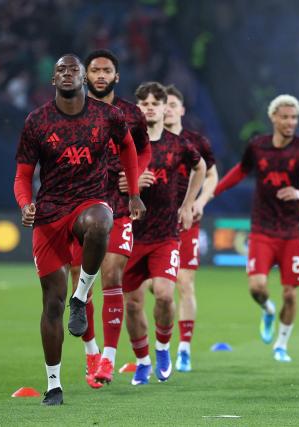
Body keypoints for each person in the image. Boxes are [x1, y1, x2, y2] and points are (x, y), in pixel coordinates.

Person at [13, 54, 145, 405]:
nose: (67, 73)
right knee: (50, 305)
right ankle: (53, 383)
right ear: (53, 80)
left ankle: (81, 294)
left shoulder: (108, 116)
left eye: (73, 68)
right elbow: (23, 174)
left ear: (83, 78)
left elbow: (129, 149)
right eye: (60, 70)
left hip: (89, 203)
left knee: (101, 220)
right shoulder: (37, 121)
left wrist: (133, 194)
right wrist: (26, 203)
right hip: (50, 214)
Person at [68, 49, 151, 389]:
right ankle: (91, 350)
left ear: (117, 76)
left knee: (112, 273)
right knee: (79, 283)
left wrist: (135, 182)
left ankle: (109, 358)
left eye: (107, 70)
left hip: (117, 207)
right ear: (86, 76)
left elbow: (143, 149)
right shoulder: (71, 112)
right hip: (79, 208)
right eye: (95, 70)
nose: (101, 75)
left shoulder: (131, 114)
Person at [212, 94, 299, 362]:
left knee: (290, 293)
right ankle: (267, 310)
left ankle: (281, 345)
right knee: (257, 287)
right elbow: (240, 172)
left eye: (294, 118)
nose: (291, 122)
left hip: (291, 232)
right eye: (286, 117)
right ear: (273, 118)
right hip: (262, 229)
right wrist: (214, 191)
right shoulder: (257, 146)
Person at [123, 82, 206, 385]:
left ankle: (162, 349)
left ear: (162, 107)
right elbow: (105, 174)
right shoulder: (126, 143)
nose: (149, 107)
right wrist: (126, 183)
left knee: (164, 294)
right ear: (138, 108)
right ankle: (142, 360)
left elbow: (201, 168)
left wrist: (188, 205)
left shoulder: (178, 145)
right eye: (143, 103)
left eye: (154, 103)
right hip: (130, 235)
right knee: (132, 303)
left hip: (165, 234)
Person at [164, 84, 219, 372]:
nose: (169, 108)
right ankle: (161, 346)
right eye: (166, 104)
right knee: (153, 287)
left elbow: (212, 175)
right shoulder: (147, 140)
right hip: (154, 224)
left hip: (186, 222)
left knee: (185, 284)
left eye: (174, 103)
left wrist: (201, 201)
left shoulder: (196, 142)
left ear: (182, 109)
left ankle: (183, 348)